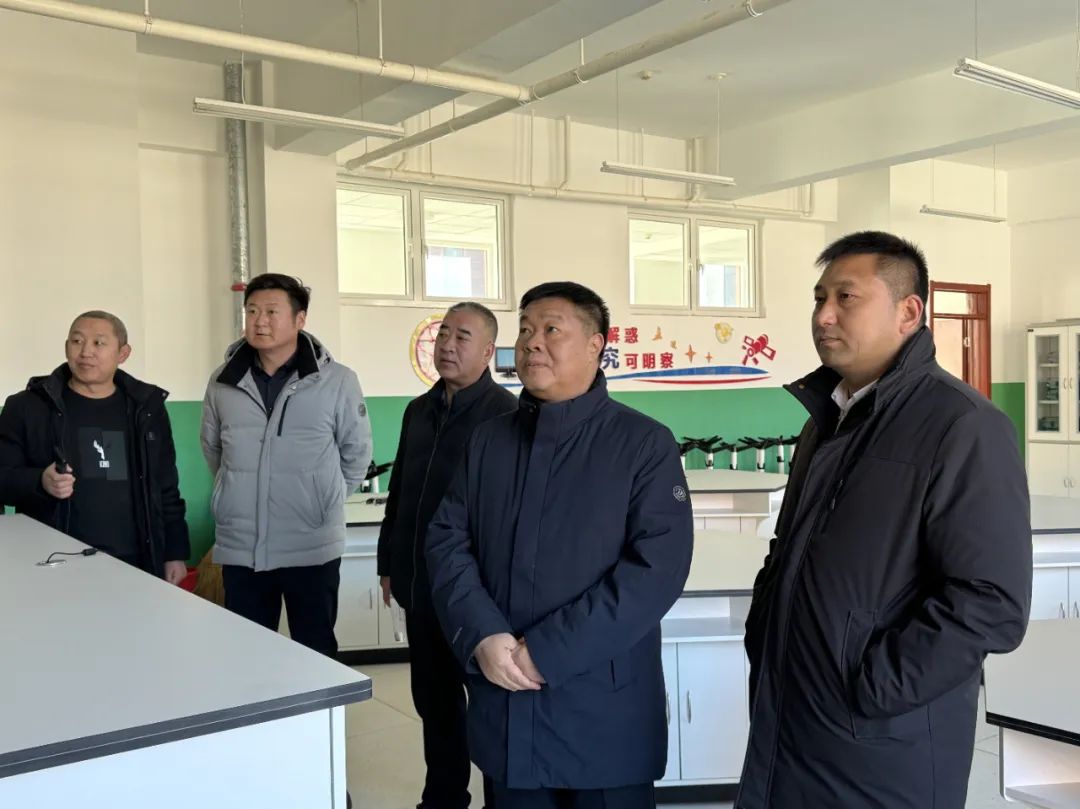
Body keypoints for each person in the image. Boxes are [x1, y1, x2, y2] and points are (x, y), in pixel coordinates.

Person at [738, 232, 1032, 809]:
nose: (824, 316)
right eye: (819, 298)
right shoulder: (827, 419)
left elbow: (990, 601)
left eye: (846, 298)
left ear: (909, 312)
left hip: (883, 745)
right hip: (793, 718)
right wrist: (765, 634)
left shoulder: (963, 425)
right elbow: (789, 548)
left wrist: (871, 687)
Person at [426, 282, 693, 809]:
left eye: (551, 329)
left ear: (596, 346)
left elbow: (655, 570)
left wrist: (546, 653)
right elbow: (447, 540)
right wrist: (482, 634)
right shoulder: (488, 440)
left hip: (603, 714)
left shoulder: (643, 444)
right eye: (525, 329)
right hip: (506, 704)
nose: (531, 342)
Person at [378, 301, 517, 809]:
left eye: (463, 337)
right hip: (421, 589)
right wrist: (389, 562)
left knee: (492, 707)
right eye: (443, 335)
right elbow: (400, 492)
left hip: (477, 596)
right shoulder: (419, 410)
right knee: (435, 705)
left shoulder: (506, 415)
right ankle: (443, 798)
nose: (448, 346)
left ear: (488, 351)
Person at [201, 273, 372, 657]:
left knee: (315, 650)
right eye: (251, 311)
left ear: (300, 319)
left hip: (311, 545)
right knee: (247, 653)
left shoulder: (336, 381)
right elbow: (213, 449)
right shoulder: (223, 381)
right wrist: (238, 491)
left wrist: (321, 498)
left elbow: (356, 454)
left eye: (271, 312)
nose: (259, 321)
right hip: (242, 545)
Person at [0, 311, 190, 580]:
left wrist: (174, 552)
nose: (86, 352)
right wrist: (40, 481)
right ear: (66, 347)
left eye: (99, 343)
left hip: (136, 563)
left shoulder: (146, 409)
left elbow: (165, 485)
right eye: (77, 341)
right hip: (53, 562)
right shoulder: (27, 407)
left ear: (123, 353)